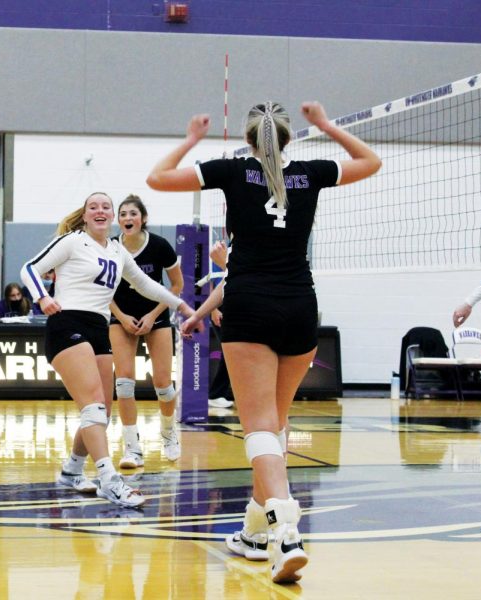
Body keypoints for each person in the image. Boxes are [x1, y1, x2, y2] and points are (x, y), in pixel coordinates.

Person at [149, 102, 380, 583]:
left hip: (250, 302)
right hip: (301, 305)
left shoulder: (231, 170)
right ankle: (255, 532)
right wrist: (326, 125)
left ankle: (285, 529)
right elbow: (371, 162)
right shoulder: (313, 172)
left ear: (251, 141)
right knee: (274, 424)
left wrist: (192, 137)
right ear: (291, 138)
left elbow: (157, 178)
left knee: (257, 426)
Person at [20, 192, 201, 508]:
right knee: (92, 407)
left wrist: (183, 305)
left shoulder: (117, 250)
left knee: (102, 410)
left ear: (114, 217)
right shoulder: (73, 241)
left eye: (106, 207)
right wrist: (41, 298)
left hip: (98, 327)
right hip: (66, 322)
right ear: (86, 215)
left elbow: (146, 285)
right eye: (94, 207)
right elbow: (29, 269)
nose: (100, 211)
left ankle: (72, 470)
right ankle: (108, 480)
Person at [107, 195, 185, 467]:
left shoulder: (160, 246)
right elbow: (103, 289)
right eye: (123, 214)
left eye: (133, 214)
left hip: (157, 317)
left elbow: (176, 285)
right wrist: (121, 317)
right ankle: (132, 449)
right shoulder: (111, 247)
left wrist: (153, 315)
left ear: (143, 218)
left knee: (163, 385)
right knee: (124, 383)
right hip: (122, 318)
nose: (128, 218)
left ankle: (168, 434)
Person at [207, 240, 235, 409]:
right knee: (230, 351)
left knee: (232, 351)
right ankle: (216, 394)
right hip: (221, 304)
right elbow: (212, 280)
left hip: (237, 303)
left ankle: (218, 393)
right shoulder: (222, 249)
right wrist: (214, 309)